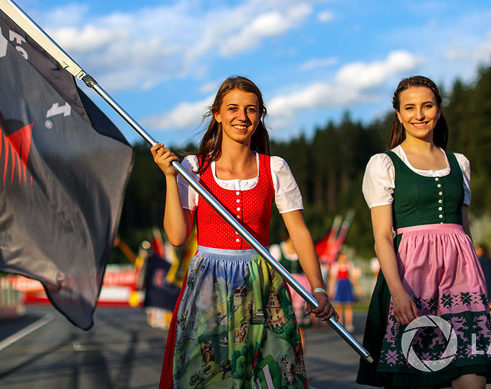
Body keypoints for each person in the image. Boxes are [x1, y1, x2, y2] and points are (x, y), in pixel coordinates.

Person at [151, 76, 336, 389]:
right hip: (210, 282)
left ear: (260, 116)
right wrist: (171, 178)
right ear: (218, 115)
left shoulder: (274, 168)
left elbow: (299, 233)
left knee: (270, 374)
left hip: (262, 282)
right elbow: (177, 237)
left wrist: (318, 289)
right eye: (233, 108)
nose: (243, 116)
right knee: (209, 375)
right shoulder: (194, 168)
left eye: (251, 110)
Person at [357, 76, 491, 388]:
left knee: (472, 376)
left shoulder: (460, 163)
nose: (419, 114)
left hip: (461, 280)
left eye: (427, 106)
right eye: (410, 108)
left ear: (439, 110)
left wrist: (479, 285)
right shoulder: (385, 164)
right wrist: (398, 292)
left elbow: (465, 229)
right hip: (412, 277)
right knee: (417, 376)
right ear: (399, 115)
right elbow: (382, 237)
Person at [269, 233, 313, 349]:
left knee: (300, 328)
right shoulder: (277, 249)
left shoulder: (302, 250)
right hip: (284, 288)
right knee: (283, 325)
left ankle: (301, 359)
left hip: (301, 290)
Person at [329, 250, 359, 332]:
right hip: (339, 285)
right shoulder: (335, 266)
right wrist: (331, 289)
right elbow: (333, 278)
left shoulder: (349, 265)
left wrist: (357, 287)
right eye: (342, 256)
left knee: (348, 305)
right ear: (339, 257)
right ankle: (340, 323)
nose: (344, 258)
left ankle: (349, 323)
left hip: (346, 285)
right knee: (339, 305)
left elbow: (351, 277)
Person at [475, 243, 491, 329]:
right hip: (489, 283)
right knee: (489, 301)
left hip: (481, 284)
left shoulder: (479, 260)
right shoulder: (490, 260)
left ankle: (484, 321)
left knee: (481, 302)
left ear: (482, 250)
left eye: (478, 249)